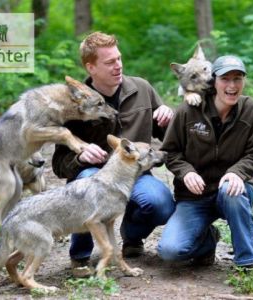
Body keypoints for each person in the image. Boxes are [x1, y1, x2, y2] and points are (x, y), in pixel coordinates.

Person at [52, 31, 176, 277]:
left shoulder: (142, 88)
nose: (118, 66)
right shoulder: (76, 105)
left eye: (118, 59)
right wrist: (80, 157)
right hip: (95, 177)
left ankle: (131, 237)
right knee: (85, 181)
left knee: (160, 204)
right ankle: (80, 256)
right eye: (109, 62)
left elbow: (168, 139)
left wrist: (166, 117)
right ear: (91, 67)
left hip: (136, 177)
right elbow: (58, 164)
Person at [157, 55, 253, 268]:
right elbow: (170, 152)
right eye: (225, 79)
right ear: (213, 81)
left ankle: (247, 260)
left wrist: (237, 172)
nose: (232, 85)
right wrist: (186, 172)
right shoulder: (187, 111)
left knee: (231, 191)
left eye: (238, 79)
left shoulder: (250, 110)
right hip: (194, 197)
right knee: (170, 251)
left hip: (232, 191)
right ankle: (208, 239)